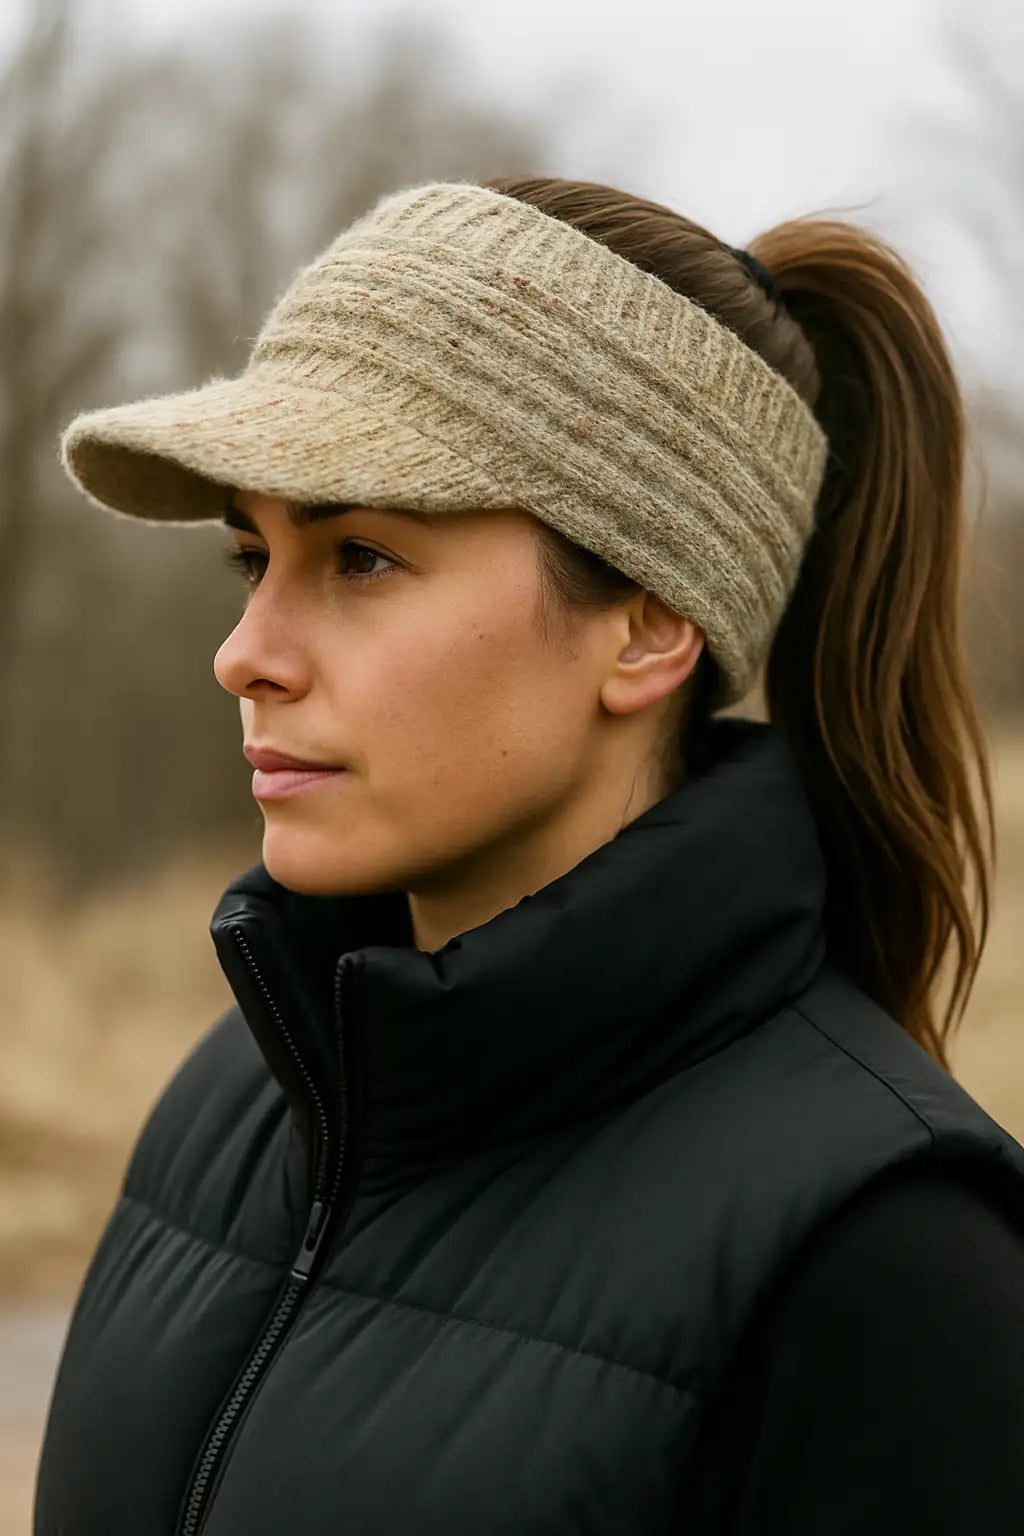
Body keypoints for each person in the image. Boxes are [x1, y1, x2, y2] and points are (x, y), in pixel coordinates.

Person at [35, 176, 1024, 1535]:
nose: (245, 653)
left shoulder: (890, 1259)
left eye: (362, 557)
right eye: (251, 557)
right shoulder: (239, 1096)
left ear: (649, 623)